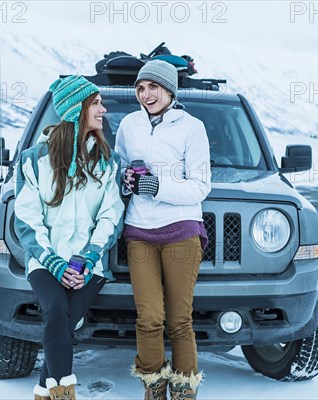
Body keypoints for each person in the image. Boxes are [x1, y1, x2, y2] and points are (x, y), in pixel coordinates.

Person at [14, 75, 124, 400]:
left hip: (89, 267)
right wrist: (54, 263)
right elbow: (27, 220)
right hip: (44, 262)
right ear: (77, 109)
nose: (104, 110)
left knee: (60, 320)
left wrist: (90, 258)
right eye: (96, 103)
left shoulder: (108, 163)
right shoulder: (34, 161)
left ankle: (42, 391)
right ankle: (65, 393)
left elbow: (110, 216)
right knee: (54, 311)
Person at [115, 60, 211, 400]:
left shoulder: (192, 127)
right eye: (141, 88)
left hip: (182, 231)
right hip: (139, 231)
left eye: (152, 87)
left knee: (180, 321)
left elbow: (200, 187)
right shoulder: (128, 125)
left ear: (169, 89)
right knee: (150, 318)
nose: (145, 94)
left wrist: (155, 186)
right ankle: (153, 387)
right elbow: (120, 170)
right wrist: (127, 182)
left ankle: (184, 392)